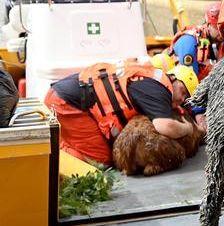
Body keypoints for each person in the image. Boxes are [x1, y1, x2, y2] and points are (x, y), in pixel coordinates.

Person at [44, 60, 199, 166]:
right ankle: (52, 158)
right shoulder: (159, 90)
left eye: (186, 98)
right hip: (66, 103)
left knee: (101, 151)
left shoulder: (153, 81)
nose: (181, 98)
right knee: (99, 160)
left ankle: (60, 144)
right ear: (173, 79)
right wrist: (187, 128)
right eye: (183, 91)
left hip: (71, 97)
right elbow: (165, 126)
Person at [168, 1, 224, 81]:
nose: (223, 33)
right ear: (208, 25)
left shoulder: (223, 40)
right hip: (176, 83)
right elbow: (188, 80)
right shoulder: (190, 42)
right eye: (218, 28)